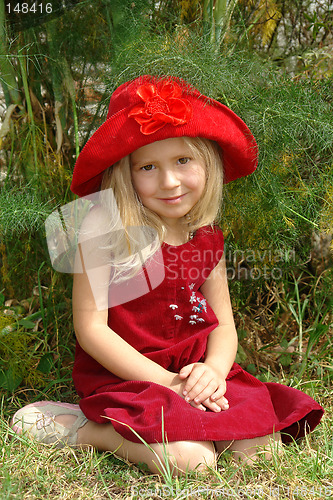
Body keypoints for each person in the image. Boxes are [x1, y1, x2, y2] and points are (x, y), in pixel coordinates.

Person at [11, 75, 324, 475]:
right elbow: (91, 329)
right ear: (125, 172)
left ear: (207, 162)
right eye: (148, 167)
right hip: (131, 376)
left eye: (183, 160)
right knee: (192, 463)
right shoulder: (101, 228)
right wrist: (165, 381)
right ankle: (89, 429)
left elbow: (223, 325)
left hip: (194, 372)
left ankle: (197, 421)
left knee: (264, 450)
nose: (170, 181)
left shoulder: (206, 235)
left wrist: (212, 372)